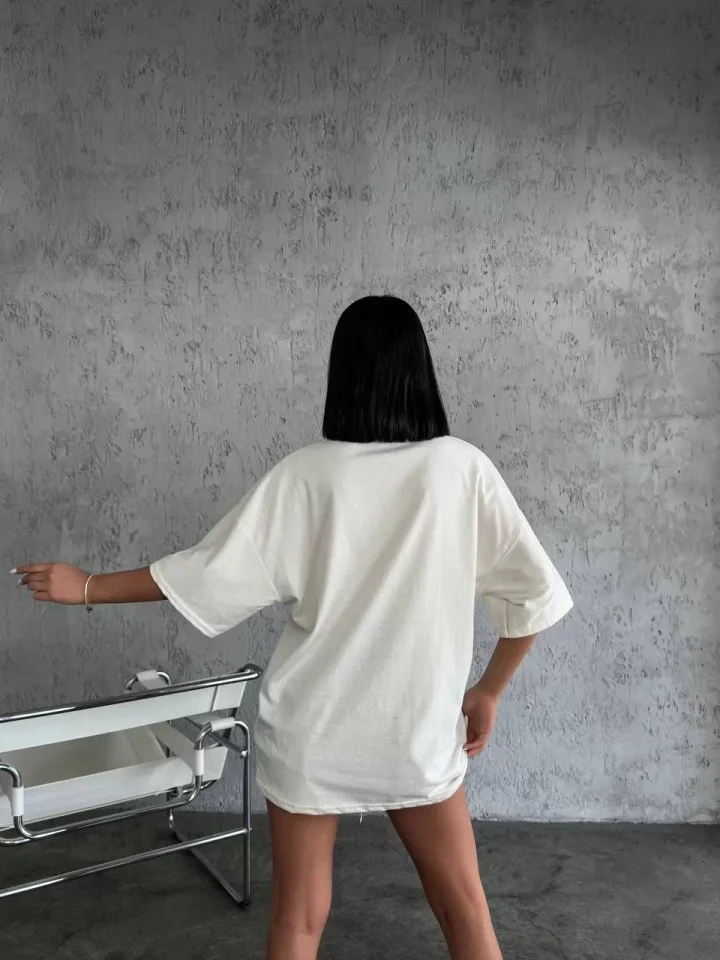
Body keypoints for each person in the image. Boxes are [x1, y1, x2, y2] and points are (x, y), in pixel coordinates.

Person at [14, 295, 573, 960]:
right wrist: (489, 691)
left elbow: (206, 572)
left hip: (315, 732)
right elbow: (535, 595)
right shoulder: (463, 470)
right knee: (464, 910)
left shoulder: (306, 475)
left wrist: (88, 587)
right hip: (418, 732)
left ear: (344, 373)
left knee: (299, 920)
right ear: (419, 370)